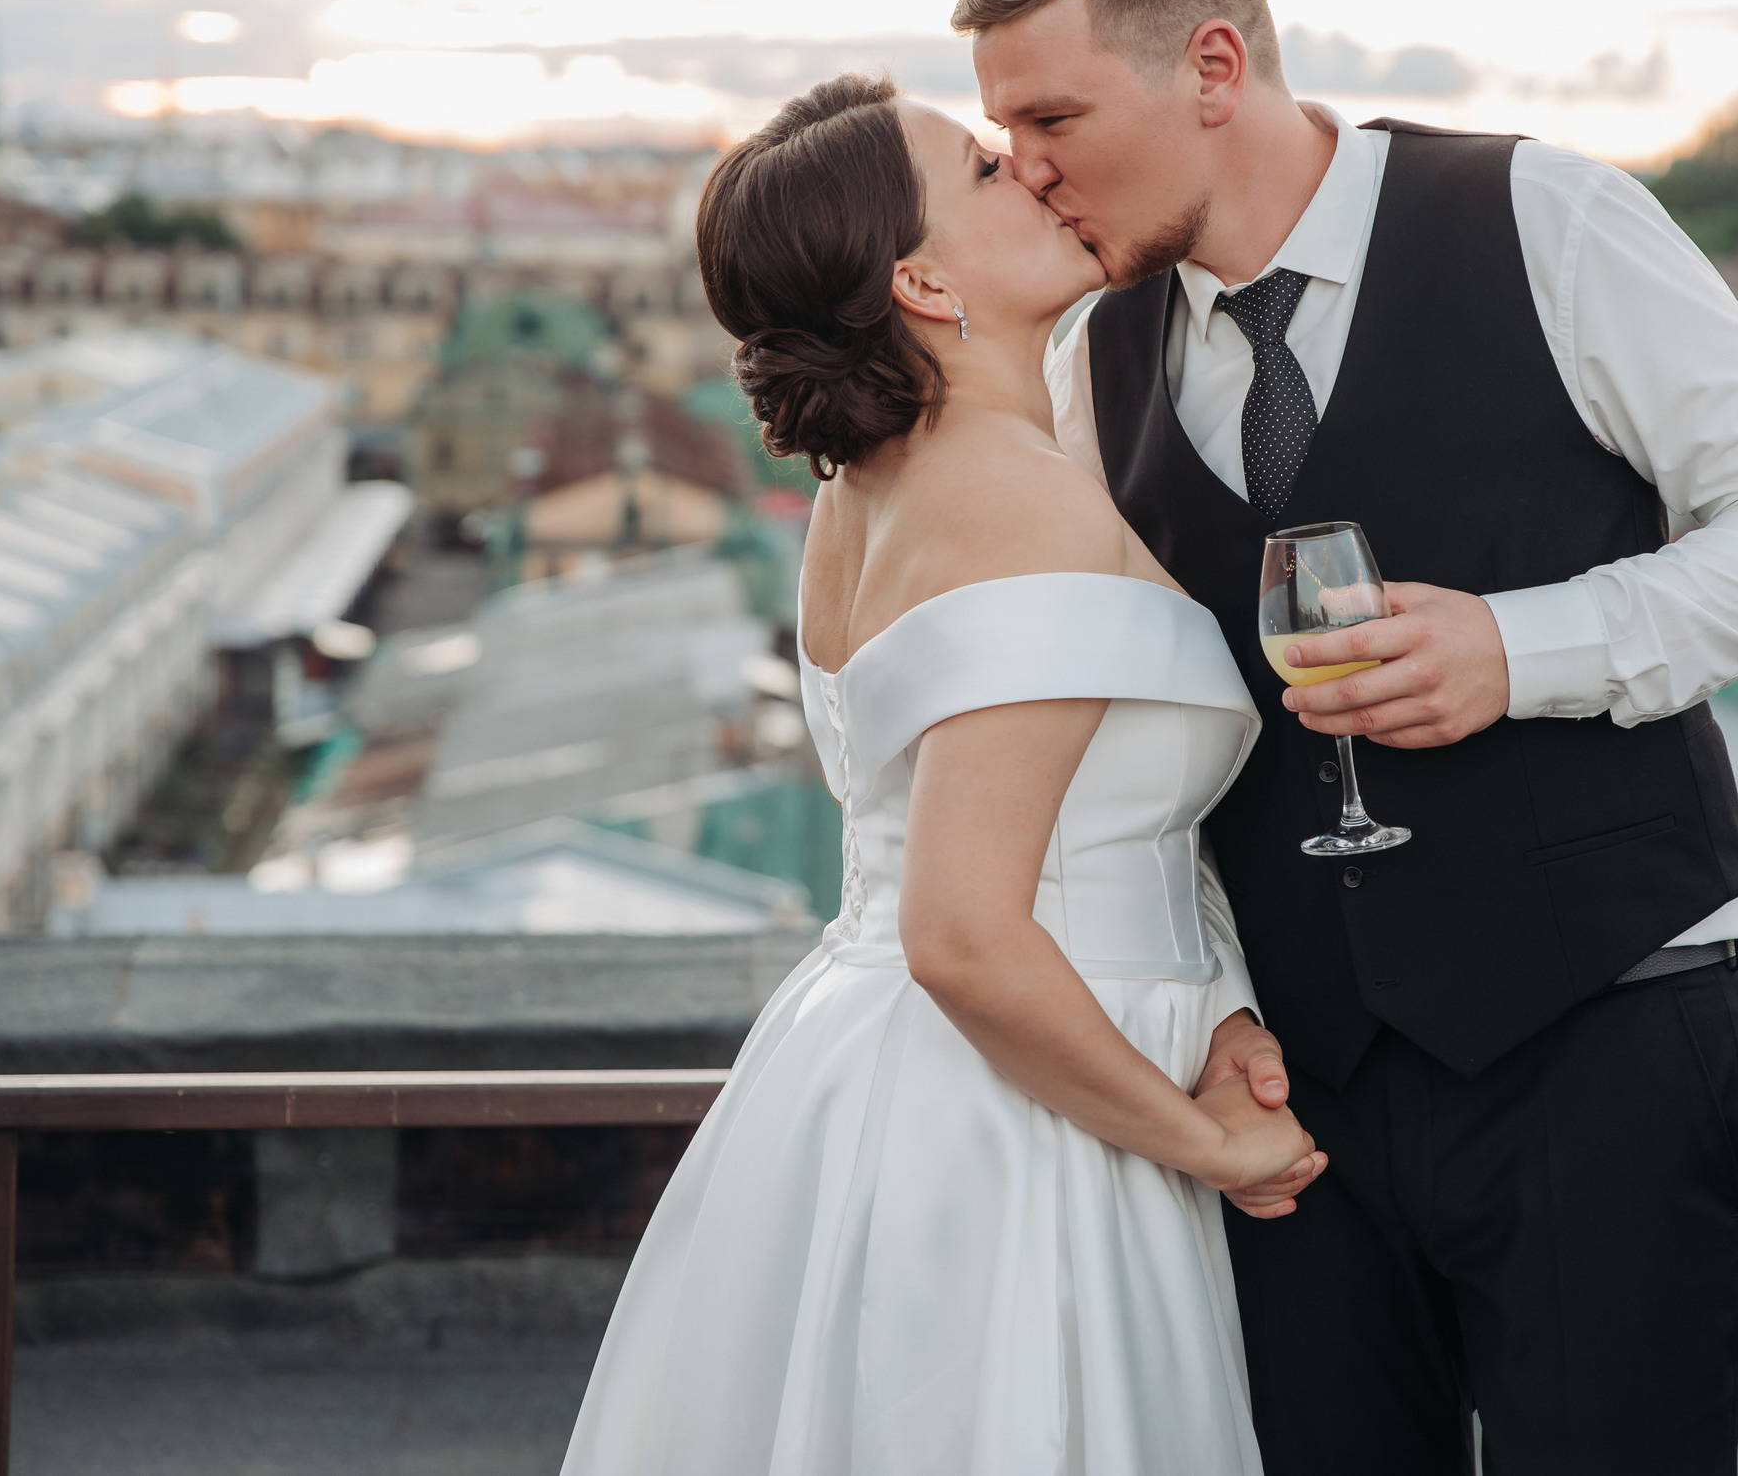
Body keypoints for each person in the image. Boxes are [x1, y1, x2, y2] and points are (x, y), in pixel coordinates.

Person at [961, 0, 1738, 1474]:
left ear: (1213, 66)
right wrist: (1219, 1004)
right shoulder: (1088, 357)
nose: (1025, 171)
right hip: (1296, 1089)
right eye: (1002, 134)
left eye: (1052, 119)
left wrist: (1519, 649)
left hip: (1602, 1040)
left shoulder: (1546, 217)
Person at [557, 72, 1323, 1476]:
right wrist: (1206, 1146)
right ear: (918, 280)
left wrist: (1217, 1001)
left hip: (879, 1065)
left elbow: (1075, 819)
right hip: (1018, 1115)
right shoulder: (1018, 503)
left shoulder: (865, 494)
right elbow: (965, 931)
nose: (1027, 169)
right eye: (981, 169)